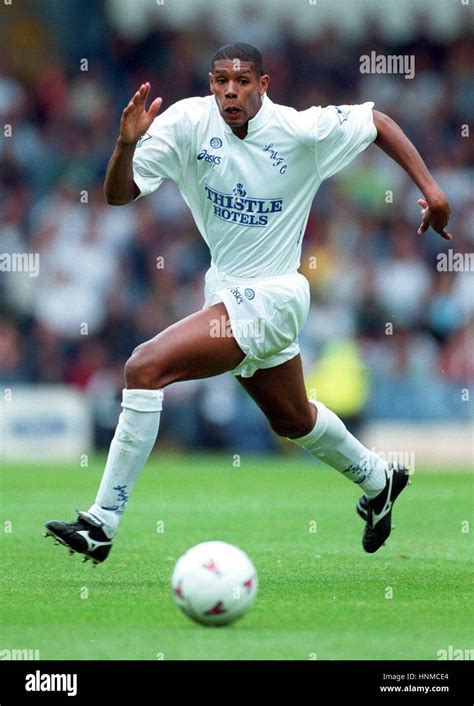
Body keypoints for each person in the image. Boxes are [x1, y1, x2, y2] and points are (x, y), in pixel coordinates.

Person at [45, 43, 452, 564]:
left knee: (143, 368)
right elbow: (120, 195)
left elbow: (376, 120)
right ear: (210, 83)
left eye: (241, 81)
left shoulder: (301, 130)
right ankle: (380, 479)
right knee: (292, 419)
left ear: (264, 84)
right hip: (228, 290)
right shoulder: (186, 124)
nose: (230, 91)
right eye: (220, 81)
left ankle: (102, 521)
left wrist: (432, 190)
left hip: (274, 296)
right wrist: (124, 147)